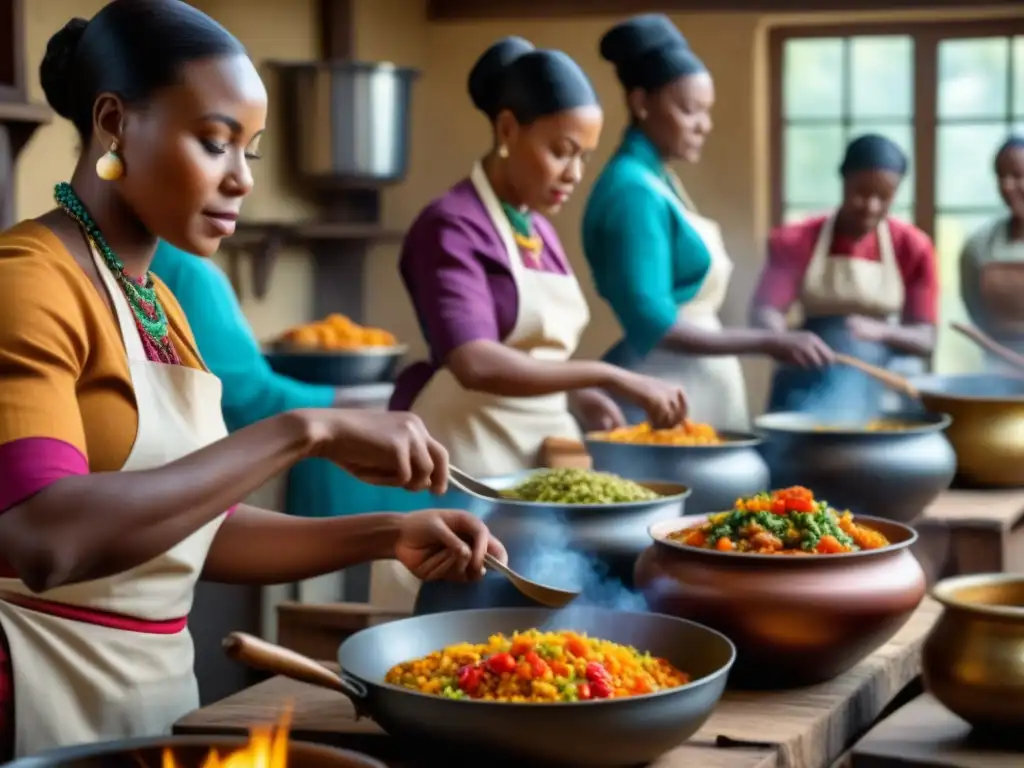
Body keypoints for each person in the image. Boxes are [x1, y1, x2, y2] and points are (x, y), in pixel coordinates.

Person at [0, 1, 503, 759]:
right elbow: (43, 535)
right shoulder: (28, 281)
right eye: (214, 142)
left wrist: (387, 535)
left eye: (252, 152)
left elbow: (198, 528)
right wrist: (308, 431)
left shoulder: (158, 300)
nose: (241, 180)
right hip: (38, 684)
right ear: (112, 124)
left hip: (155, 691)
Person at [384, 37, 688, 615]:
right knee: (458, 607)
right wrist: (612, 375)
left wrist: (577, 390)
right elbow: (474, 361)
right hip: (466, 455)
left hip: (533, 458)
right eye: (560, 151)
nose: (572, 174)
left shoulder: (534, 225)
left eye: (584, 157)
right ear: (506, 130)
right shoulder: (449, 226)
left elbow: (537, 352)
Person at [582, 14, 832, 432]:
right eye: (689, 110)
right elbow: (656, 325)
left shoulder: (659, 180)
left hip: (693, 381)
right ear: (641, 102)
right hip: (663, 387)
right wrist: (770, 340)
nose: (704, 125)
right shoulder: (632, 192)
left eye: (706, 111)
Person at [752, 134, 939, 419]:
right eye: (861, 193)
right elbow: (765, 311)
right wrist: (783, 339)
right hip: (809, 367)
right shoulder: (798, 239)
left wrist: (881, 331)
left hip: (883, 375)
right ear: (843, 180)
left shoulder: (913, 247)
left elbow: (925, 338)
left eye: (884, 197)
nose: (871, 206)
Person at [959, 135, 1024, 366]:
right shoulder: (979, 245)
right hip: (998, 363)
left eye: (1017, 176)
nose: (1007, 186)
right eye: (1001, 176)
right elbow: (974, 308)